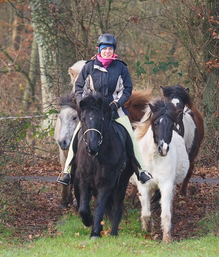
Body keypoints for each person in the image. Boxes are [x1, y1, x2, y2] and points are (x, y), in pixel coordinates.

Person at [57, 34, 152, 186]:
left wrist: (117, 103)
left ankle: (141, 170)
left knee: (131, 137)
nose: (107, 51)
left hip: (115, 110)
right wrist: (83, 103)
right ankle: (67, 171)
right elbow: (80, 87)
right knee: (76, 136)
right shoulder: (89, 67)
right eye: (104, 48)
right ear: (98, 50)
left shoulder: (121, 67)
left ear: (113, 51)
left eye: (110, 49)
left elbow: (127, 89)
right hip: (93, 112)